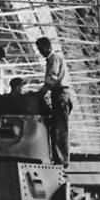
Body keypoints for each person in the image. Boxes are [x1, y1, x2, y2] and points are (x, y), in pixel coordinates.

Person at [36, 36, 72, 165]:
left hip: (60, 95)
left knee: (60, 129)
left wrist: (39, 94)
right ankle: (58, 159)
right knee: (56, 128)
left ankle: (61, 160)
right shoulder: (51, 59)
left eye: (41, 49)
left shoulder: (54, 58)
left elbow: (52, 79)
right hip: (58, 95)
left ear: (48, 46)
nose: (40, 52)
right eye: (39, 50)